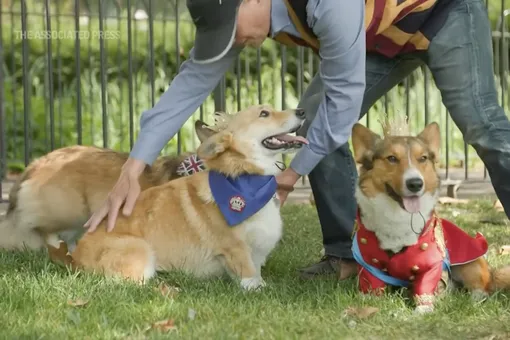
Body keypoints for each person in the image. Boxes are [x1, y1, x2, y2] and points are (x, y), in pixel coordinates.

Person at [84, 0, 510, 281]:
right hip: (375, 36)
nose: (234, 42)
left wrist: (289, 177)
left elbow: (341, 107)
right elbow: (191, 82)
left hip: (439, 17)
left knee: (484, 127)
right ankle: (348, 258)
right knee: (308, 137)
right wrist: (132, 169)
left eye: (231, 31)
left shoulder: (329, 3)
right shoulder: (244, 18)